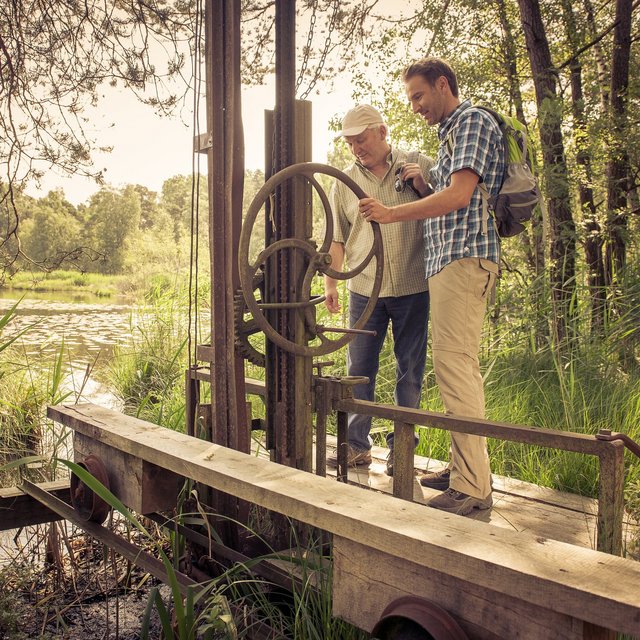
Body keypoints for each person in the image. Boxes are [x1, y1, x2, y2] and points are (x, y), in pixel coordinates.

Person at [359, 59, 504, 515]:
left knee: (457, 367)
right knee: (451, 368)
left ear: (443, 85)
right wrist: (424, 184)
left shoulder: (473, 120)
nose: (416, 107)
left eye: (419, 96)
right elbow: (450, 198)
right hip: (447, 263)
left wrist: (390, 212)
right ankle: (465, 464)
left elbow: (460, 197)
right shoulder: (450, 136)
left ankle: (473, 486)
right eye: (411, 100)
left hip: (463, 261)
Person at [325, 104, 433, 475]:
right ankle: (356, 447)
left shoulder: (416, 164)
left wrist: (423, 185)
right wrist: (332, 282)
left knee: (410, 371)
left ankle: (402, 451)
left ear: (382, 132)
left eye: (362, 139)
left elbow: (446, 207)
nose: (356, 148)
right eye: (351, 142)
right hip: (364, 288)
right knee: (359, 368)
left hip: (412, 285)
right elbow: (336, 238)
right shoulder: (343, 181)